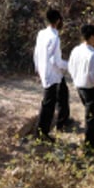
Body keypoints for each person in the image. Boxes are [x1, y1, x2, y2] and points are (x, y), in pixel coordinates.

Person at [33, 8, 72, 141]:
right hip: (52, 74)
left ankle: (63, 121)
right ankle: (41, 132)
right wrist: (70, 65)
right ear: (58, 20)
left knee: (63, 94)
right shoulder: (54, 38)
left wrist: (37, 69)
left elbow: (36, 53)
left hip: (45, 71)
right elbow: (56, 61)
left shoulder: (41, 33)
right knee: (48, 104)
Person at [68, 23, 94, 152]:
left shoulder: (76, 50)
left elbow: (71, 67)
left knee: (89, 114)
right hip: (91, 88)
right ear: (91, 37)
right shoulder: (93, 56)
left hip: (79, 86)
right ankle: (91, 144)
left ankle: (92, 140)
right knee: (92, 117)